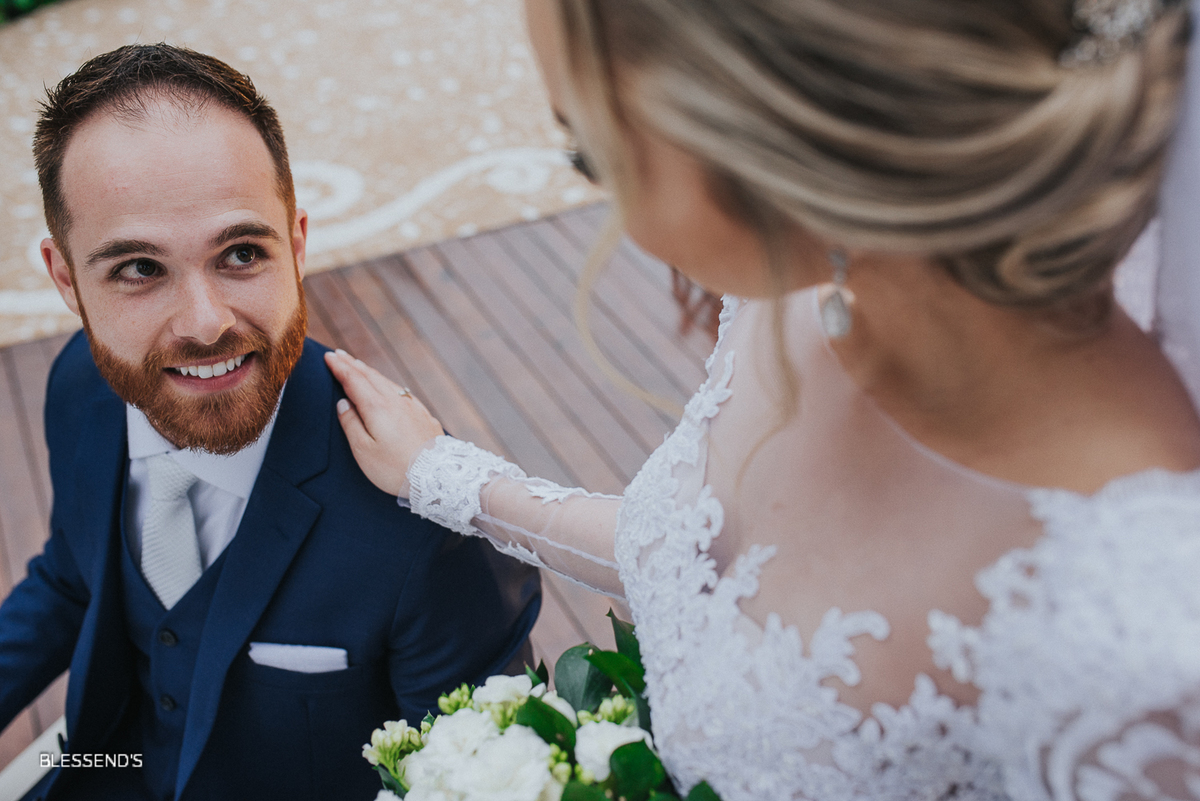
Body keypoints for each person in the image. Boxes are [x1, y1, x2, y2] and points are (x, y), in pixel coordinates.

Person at [328, 0, 1200, 797]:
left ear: (761, 132)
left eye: (590, 151)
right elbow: (687, 563)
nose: (610, 207)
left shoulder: (1133, 625)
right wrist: (442, 477)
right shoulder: (804, 292)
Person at [0, 44, 540, 801]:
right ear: (67, 280)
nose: (204, 322)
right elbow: (68, 578)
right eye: (138, 269)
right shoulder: (79, 390)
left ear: (296, 243)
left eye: (241, 252)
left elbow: (470, 776)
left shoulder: (431, 527)